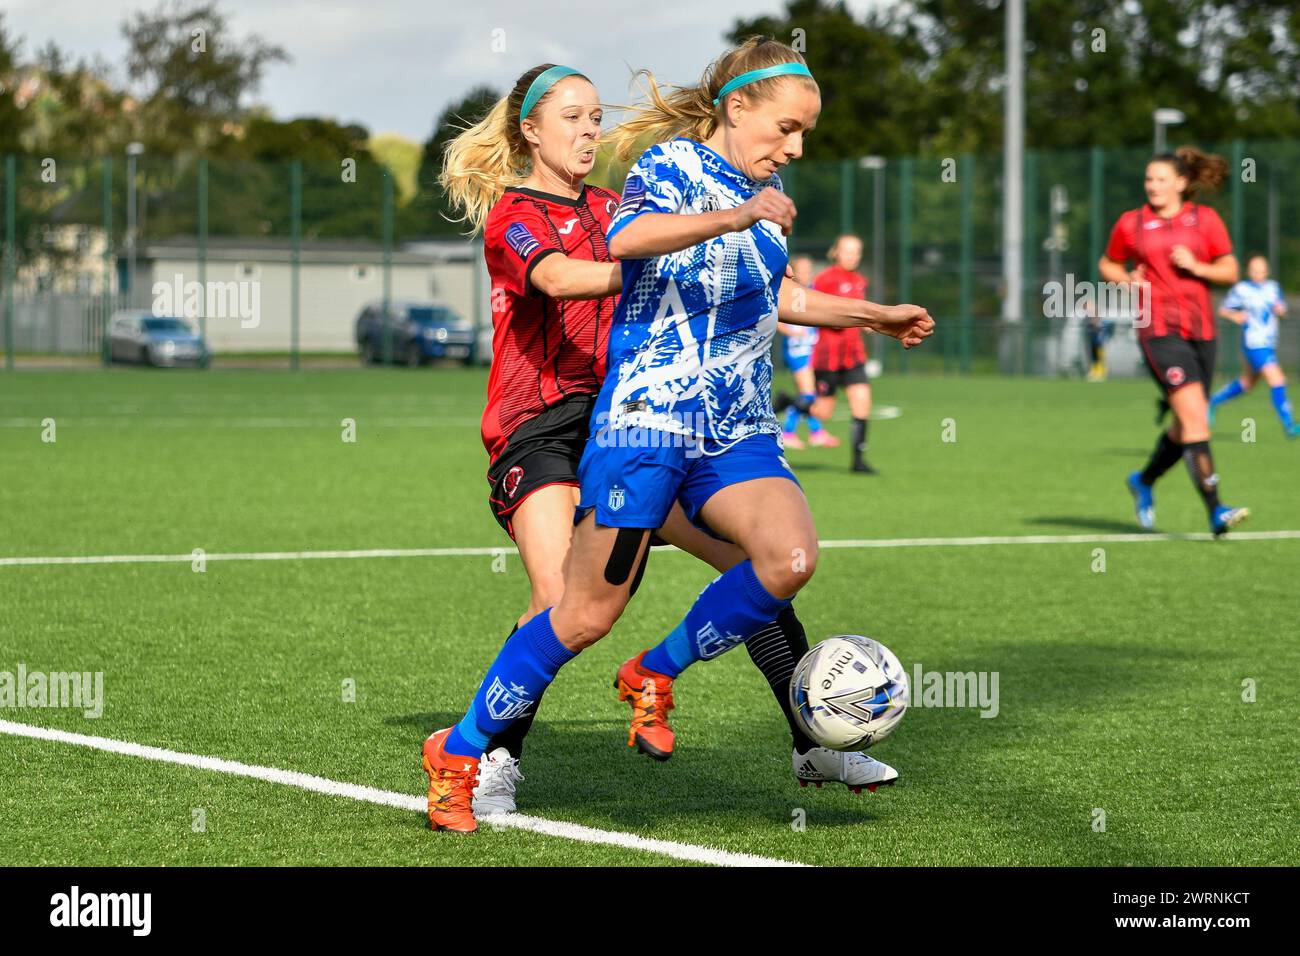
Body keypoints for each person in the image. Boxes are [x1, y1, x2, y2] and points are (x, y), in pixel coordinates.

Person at [422, 37, 933, 833]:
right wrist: (716, 231)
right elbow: (565, 276)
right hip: (547, 426)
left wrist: (870, 312)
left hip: (663, 417)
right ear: (530, 130)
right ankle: (484, 757)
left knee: (762, 571)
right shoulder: (533, 213)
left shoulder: (620, 199)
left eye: (597, 118)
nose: (591, 131)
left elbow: (759, 286)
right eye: (573, 118)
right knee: (569, 603)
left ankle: (811, 739)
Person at [1099, 146, 1248, 536]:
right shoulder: (1131, 223)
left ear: (1182, 183)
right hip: (1158, 330)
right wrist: (1128, 279)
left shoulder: (1206, 220)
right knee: (1197, 417)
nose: (1153, 186)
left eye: (1161, 179)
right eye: (1149, 179)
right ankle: (1217, 510)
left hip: (1202, 331)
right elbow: (1108, 263)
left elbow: (1231, 270)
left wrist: (1198, 266)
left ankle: (1144, 480)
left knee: (1187, 425)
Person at [1209, 254, 1296, 437]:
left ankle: (1213, 401)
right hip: (1254, 343)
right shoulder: (1242, 289)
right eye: (1255, 270)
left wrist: (1281, 312)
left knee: (1248, 382)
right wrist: (1236, 316)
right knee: (1277, 379)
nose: (1258, 273)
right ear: (1249, 271)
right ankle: (1289, 424)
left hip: (1268, 343)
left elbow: (1282, 311)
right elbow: (1223, 310)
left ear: (1267, 271)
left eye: (1262, 270)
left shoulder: (1273, 288)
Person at [810, 235, 877, 472]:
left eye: (856, 251)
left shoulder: (859, 280)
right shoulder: (825, 279)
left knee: (862, 404)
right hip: (828, 357)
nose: (852, 256)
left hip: (853, 356)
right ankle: (790, 402)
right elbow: (817, 311)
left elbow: (859, 314)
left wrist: (870, 323)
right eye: (848, 251)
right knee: (823, 412)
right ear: (836, 252)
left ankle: (858, 462)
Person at [774, 254, 823, 447]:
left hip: (811, 350)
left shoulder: (813, 290)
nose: (807, 274)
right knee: (808, 394)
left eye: (809, 270)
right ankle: (788, 431)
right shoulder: (788, 292)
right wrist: (791, 333)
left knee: (809, 394)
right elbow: (776, 318)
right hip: (797, 351)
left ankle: (816, 431)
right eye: (802, 270)